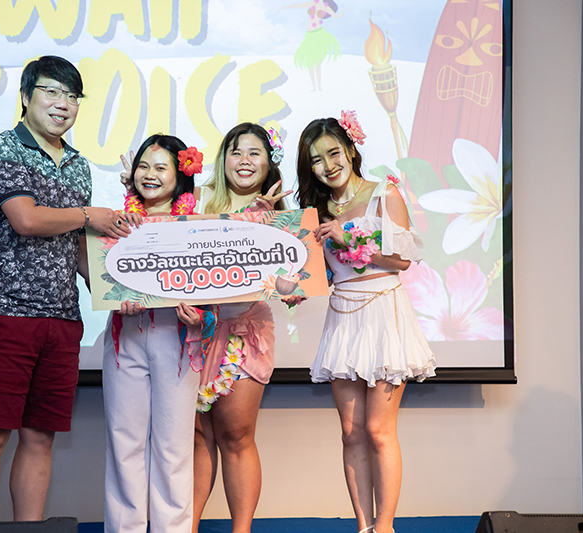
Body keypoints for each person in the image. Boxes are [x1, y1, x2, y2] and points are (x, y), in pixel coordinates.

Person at [0, 55, 127, 523]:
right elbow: (27, 219)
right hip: (5, 312)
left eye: (72, 96)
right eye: (51, 92)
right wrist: (89, 215)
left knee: (39, 438)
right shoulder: (2, 148)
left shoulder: (78, 166)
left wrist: (120, 292)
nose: (62, 104)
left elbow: (78, 248)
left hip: (62, 319)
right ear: (25, 96)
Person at [295, 112, 436, 533]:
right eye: (316, 160)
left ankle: (385, 527)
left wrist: (349, 238)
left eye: (333, 153)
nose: (327, 165)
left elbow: (402, 260)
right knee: (351, 432)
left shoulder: (383, 194)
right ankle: (363, 526)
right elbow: (315, 275)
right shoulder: (316, 212)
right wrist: (291, 286)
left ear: (351, 150)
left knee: (378, 430)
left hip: (384, 315)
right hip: (343, 318)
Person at [103, 134, 213, 533]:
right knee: (124, 444)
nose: (149, 175)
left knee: (174, 448)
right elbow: (95, 275)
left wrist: (199, 319)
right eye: (143, 167)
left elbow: (216, 289)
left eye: (160, 167)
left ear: (180, 176)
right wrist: (115, 295)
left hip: (176, 339)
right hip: (126, 338)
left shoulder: (199, 227)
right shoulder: (116, 223)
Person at [192, 122, 291, 533]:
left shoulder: (281, 215)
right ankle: (187, 526)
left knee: (236, 435)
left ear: (268, 163)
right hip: (194, 331)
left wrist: (268, 226)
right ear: (223, 159)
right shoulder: (196, 202)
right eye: (236, 151)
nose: (244, 161)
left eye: (254, 152)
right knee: (197, 438)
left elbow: (292, 286)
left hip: (244, 329)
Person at [280, 1, 342, 91]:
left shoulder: (325, 7)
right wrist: (284, 8)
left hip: (317, 34)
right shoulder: (312, 3)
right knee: (309, 63)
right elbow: (298, 5)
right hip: (309, 35)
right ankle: (314, 87)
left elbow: (336, 17)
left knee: (317, 64)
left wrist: (343, 12)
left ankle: (319, 86)